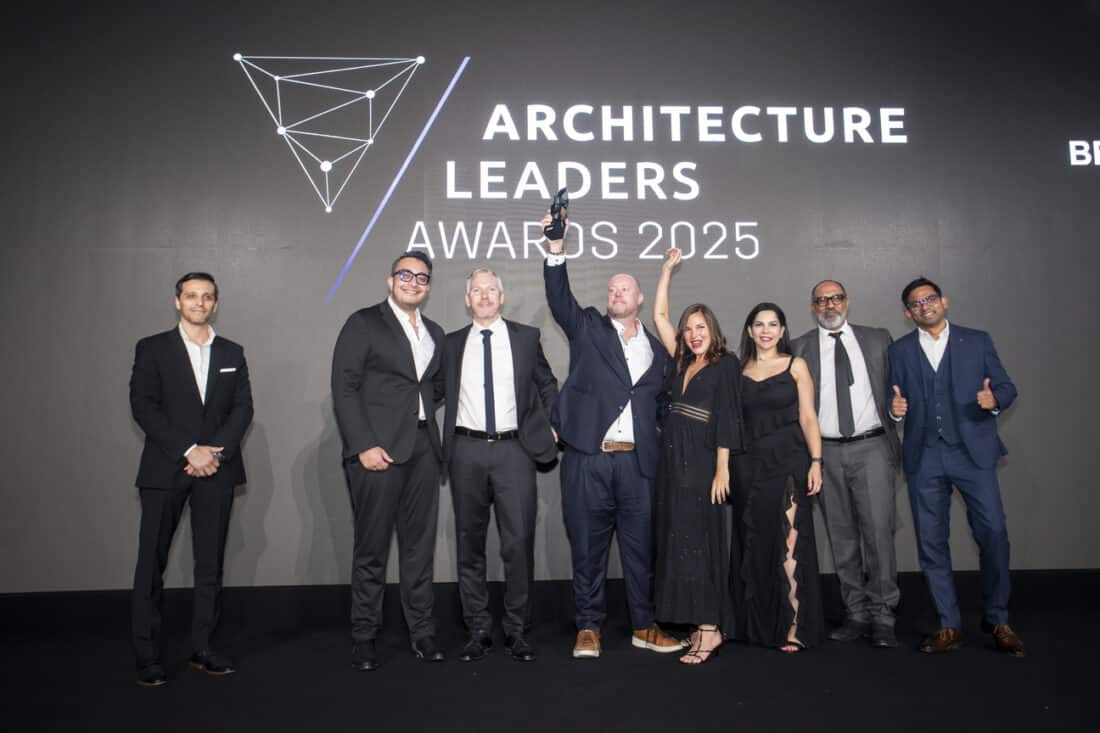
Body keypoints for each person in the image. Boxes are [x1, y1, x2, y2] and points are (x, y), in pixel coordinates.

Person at [542, 212, 681, 659]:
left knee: (642, 552)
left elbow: (662, 405)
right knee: (587, 548)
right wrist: (556, 249)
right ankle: (588, 627)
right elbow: (559, 297)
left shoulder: (657, 350)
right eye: (611, 289)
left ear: (639, 298)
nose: (617, 293)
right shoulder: (587, 327)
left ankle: (644, 625)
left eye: (625, 289)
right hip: (590, 461)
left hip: (639, 467)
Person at [888, 277, 1025, 656]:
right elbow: (893, 396)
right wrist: (894, 410)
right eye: (916, 303)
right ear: (907, 313)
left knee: (993, 532)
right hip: (924, 455)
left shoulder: (977, 341)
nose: (925, 306)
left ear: (944, 302)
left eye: (930, 299)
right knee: (931, 542)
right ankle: (948, 625)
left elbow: (1007, 387)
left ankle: (998, 618)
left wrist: (994, 400)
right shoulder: (899, 350)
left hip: (972, 454)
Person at [129, 272, 254, 687]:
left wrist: (214, 453)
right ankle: (147, 654)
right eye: (191, 296)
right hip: (165, 469)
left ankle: (204, 647)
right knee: (151, 563)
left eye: (207, 297)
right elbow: (143, 406)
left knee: (209, 564)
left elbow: (243, 409)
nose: (199, 302)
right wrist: (189, 450)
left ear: (215, 304)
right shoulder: (152, 348)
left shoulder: (232, 351)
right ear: (177, 301)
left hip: (216, 470)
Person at [331, 251, 446, 671]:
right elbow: (344, 387)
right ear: (390, 280)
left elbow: (434, 387)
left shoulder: (434, 331)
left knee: (419, 549)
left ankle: (422, 632)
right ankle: (364, 636)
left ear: (428, 287)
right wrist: (363, 444)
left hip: (424, 451)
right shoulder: (364, 322)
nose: (413, 282)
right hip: (376, 452)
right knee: (372, 548)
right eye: (405, 274)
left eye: (421, 277)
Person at [442, 267, 559, 663]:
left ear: (502, 296)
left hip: (515, 451)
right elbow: (429, 390)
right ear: (467, 299)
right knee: (469, 543)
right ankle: (477, 629)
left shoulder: (526, 338)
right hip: (466, 451)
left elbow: (546, 383)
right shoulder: (451, 343)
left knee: (518, 542)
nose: (484, 295)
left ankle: (517, 629)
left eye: (491, 289)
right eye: (477, 290)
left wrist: (553, 425)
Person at [790, 280, 902, 648]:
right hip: (825, 453)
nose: (829, 305)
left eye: (835, 298)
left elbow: (898, 388)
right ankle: (856, 613)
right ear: (813, 307)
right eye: (821, 300)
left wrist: (898, 411)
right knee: (842, 538)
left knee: (879, 535)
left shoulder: (878, 339)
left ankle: (883, 615)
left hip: (872, 447)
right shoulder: (800, 347)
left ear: (847, 302)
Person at [650, 248, 743, 664]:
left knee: (703, 544)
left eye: (700, 327)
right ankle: (698, 622)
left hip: (704, 463)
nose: (693, 334)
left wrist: (722, 470)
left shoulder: (725, 364)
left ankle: (710, 629)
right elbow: (659, 316)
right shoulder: (680, 360)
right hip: (673, 463)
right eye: (688, 328)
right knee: (680, 542)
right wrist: (666, 271)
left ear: (713, 329)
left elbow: (727, 417)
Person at [731, 302, 825, 652]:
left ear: (782, 331)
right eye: (759, 324)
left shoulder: (795, 365)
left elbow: (809, 418)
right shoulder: (737, 370)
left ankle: (794, 624)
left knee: (790, 542)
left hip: (789, 461)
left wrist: (816, 461)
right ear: (750, 330)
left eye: (773, 324)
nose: (766, 331)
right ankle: (759, 624)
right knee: (756, 542)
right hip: (747, 466)